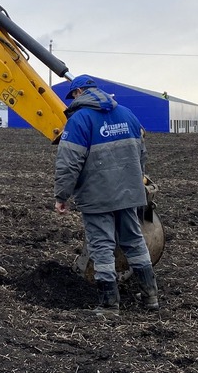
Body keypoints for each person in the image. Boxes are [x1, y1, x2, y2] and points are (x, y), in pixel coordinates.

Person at [54, 75, 159, 316]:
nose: (73, 100)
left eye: (74, 95)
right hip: (129, 192)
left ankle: (109, 304)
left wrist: (62, 195)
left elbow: (69, 163)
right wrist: (135, 180)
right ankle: (150, 296)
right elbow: (142, 154)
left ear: (79, 92)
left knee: (101, 245)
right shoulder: (127, 114)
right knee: (133, 240)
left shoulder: (79, 120)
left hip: (97, 196)